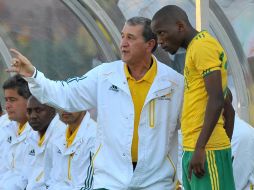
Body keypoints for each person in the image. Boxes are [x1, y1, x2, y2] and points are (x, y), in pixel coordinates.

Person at [8, 16, 184, 189]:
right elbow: (66, 94)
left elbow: (187, 130)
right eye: (122, 36)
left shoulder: (174, 83)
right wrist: (33, 75)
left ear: (150, 44)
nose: (122, 43)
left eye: (130, 38)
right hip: (110, 182)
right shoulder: (104, 75)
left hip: (157, 183)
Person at [151, 5, 235, 190]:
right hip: (197, 147)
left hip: (206, 149)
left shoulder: (202, 46)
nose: (160, 41)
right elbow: (228, 104)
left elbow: (217, 99)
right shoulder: (194, 49)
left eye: (162, 33)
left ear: (180, 26)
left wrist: (202, 148)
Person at [44, 110, 96, 189]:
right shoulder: (57, 136)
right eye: (61, 101)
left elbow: (87, 187)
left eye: (70, 101)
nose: (64, 107)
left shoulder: (94, 135)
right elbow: (49, 180)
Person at [24, 95, 66, 190]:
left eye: (38, 110)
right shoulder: (31, 136)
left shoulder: (62, 136)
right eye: (29, 111)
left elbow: (60, 182)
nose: (33, 116)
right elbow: (25, 176)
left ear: (52, 110)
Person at [0, 74, 32, 189]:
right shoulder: (3, 124)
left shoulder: (41, 130)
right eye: (6, 100)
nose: (7, 106)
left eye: (12, 100)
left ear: (30, 101)